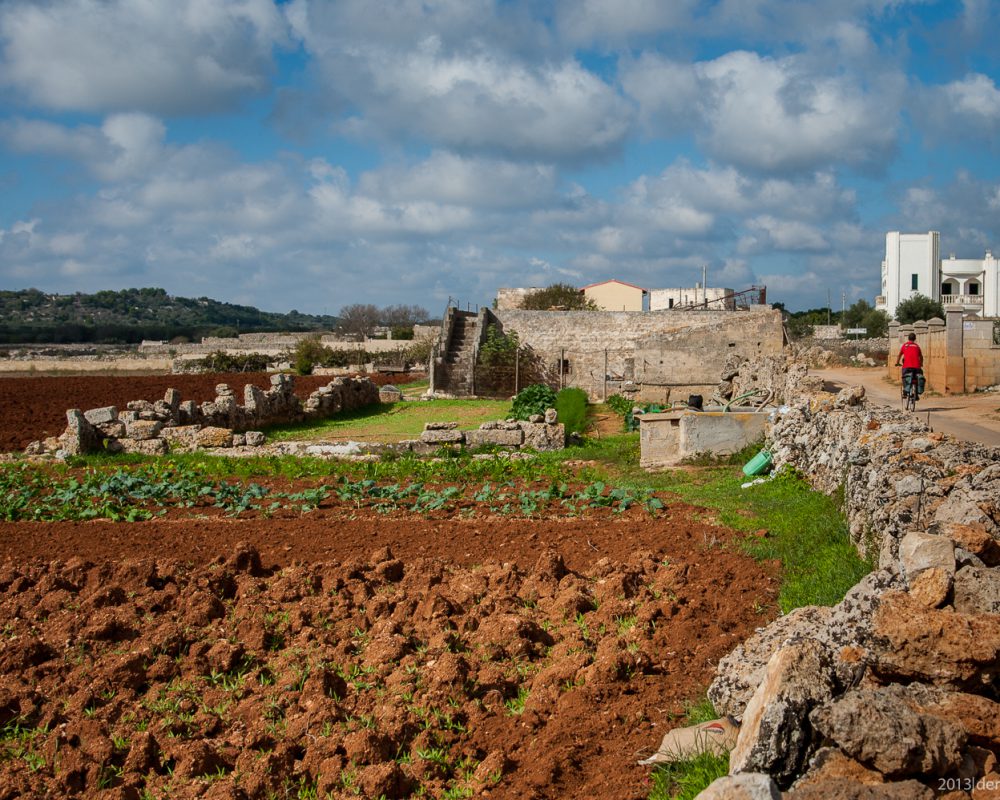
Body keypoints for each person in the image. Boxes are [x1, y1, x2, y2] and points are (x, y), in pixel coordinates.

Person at [895, 333, 923, 397]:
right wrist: (921, 363)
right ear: (915, 339)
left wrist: (897, 363)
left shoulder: (905, 345)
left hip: (906, 366)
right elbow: (921, 357)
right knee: (919, 375)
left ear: (908, 338)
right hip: (917, 367)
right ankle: (916, 393)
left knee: (904, 377)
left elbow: (899, 355)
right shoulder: (917, 346)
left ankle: (905, 391)